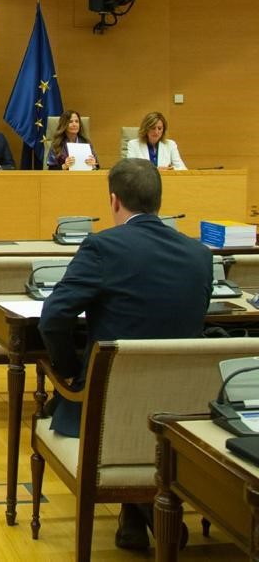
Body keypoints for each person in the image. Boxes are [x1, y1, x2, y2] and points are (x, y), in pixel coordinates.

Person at [38, 157, 210, 550]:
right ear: (158, 201)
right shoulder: (200, 254)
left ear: (114, 201)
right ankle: (136, 519)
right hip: (181, 409)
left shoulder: (102, 245)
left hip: (111, 409)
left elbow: (54, 317)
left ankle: (147, 510)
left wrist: (68, 374)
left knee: (103, 389)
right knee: (141, 380)